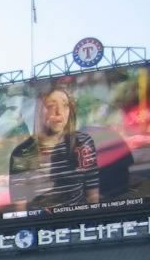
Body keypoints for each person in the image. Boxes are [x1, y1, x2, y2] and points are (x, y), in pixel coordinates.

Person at [8, 84, 101, 214]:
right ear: (38, 111)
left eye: (65, 105)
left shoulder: (83, 143)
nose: (59, 112)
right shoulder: (21, 153)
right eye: (51, 106)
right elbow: (19, 209)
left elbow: (93, 193)